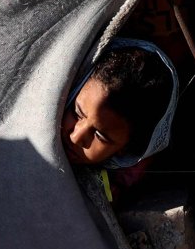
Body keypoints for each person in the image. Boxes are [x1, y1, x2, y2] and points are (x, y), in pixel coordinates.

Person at [61, 39, 179, 201]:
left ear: (126, 148)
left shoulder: (117, 184)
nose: (76, 137)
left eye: (100, 136)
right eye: (77, 113)